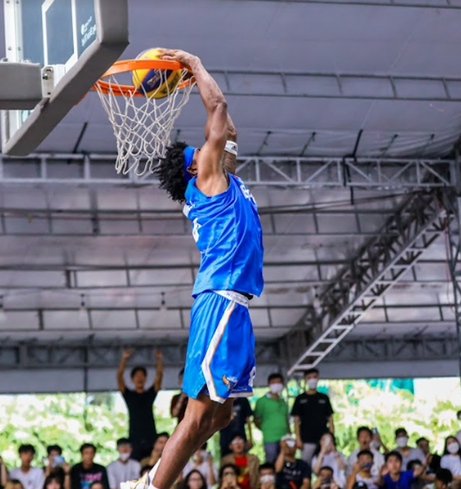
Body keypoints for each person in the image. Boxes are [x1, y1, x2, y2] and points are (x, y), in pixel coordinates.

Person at [132, 47, 263, 489]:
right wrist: (194, 66)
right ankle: (151, 486)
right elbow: (220, 111)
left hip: (234, 301)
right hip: (220, 298)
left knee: (223, 412)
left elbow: (230, 130)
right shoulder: (205, 178)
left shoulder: (221, 180)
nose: (210, 142)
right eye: (201, 146)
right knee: (198, 413)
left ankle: (158, 473)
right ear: (194, 165)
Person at [117, 349, 163, 461]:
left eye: (142, 375)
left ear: (146, 378)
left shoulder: (150, 394)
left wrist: (159, 360)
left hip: (151, 436)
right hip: (134, 437)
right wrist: (124, 359)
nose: (139, 378)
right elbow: (119, 377)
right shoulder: (128, 395)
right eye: (137, 376)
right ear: (132, 379)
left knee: (153, 463)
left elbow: (159, 377)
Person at [291, 369, 334, 466]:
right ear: (305, 380)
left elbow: (330, 418)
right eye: (309, 378)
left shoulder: (324, 398)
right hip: (306, 438)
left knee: (325, 464)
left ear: (318, 378)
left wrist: (331, 436)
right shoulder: (300, 399)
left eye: (315, 377)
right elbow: (296, 420)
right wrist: (298, 439)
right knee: (306, 464)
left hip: (323, 438)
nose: (312, 380)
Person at [255, 374, 290, 464]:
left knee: (285, 461)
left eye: (278, 382)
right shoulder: (262, 401)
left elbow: (286, 420)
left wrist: (289, 433)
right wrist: (265, 429)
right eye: (273, 382)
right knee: (271, 462)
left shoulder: (283, 402)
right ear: (268, 384)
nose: (276, 385)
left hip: (284, 437)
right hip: (270, 438)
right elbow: (256, 419)